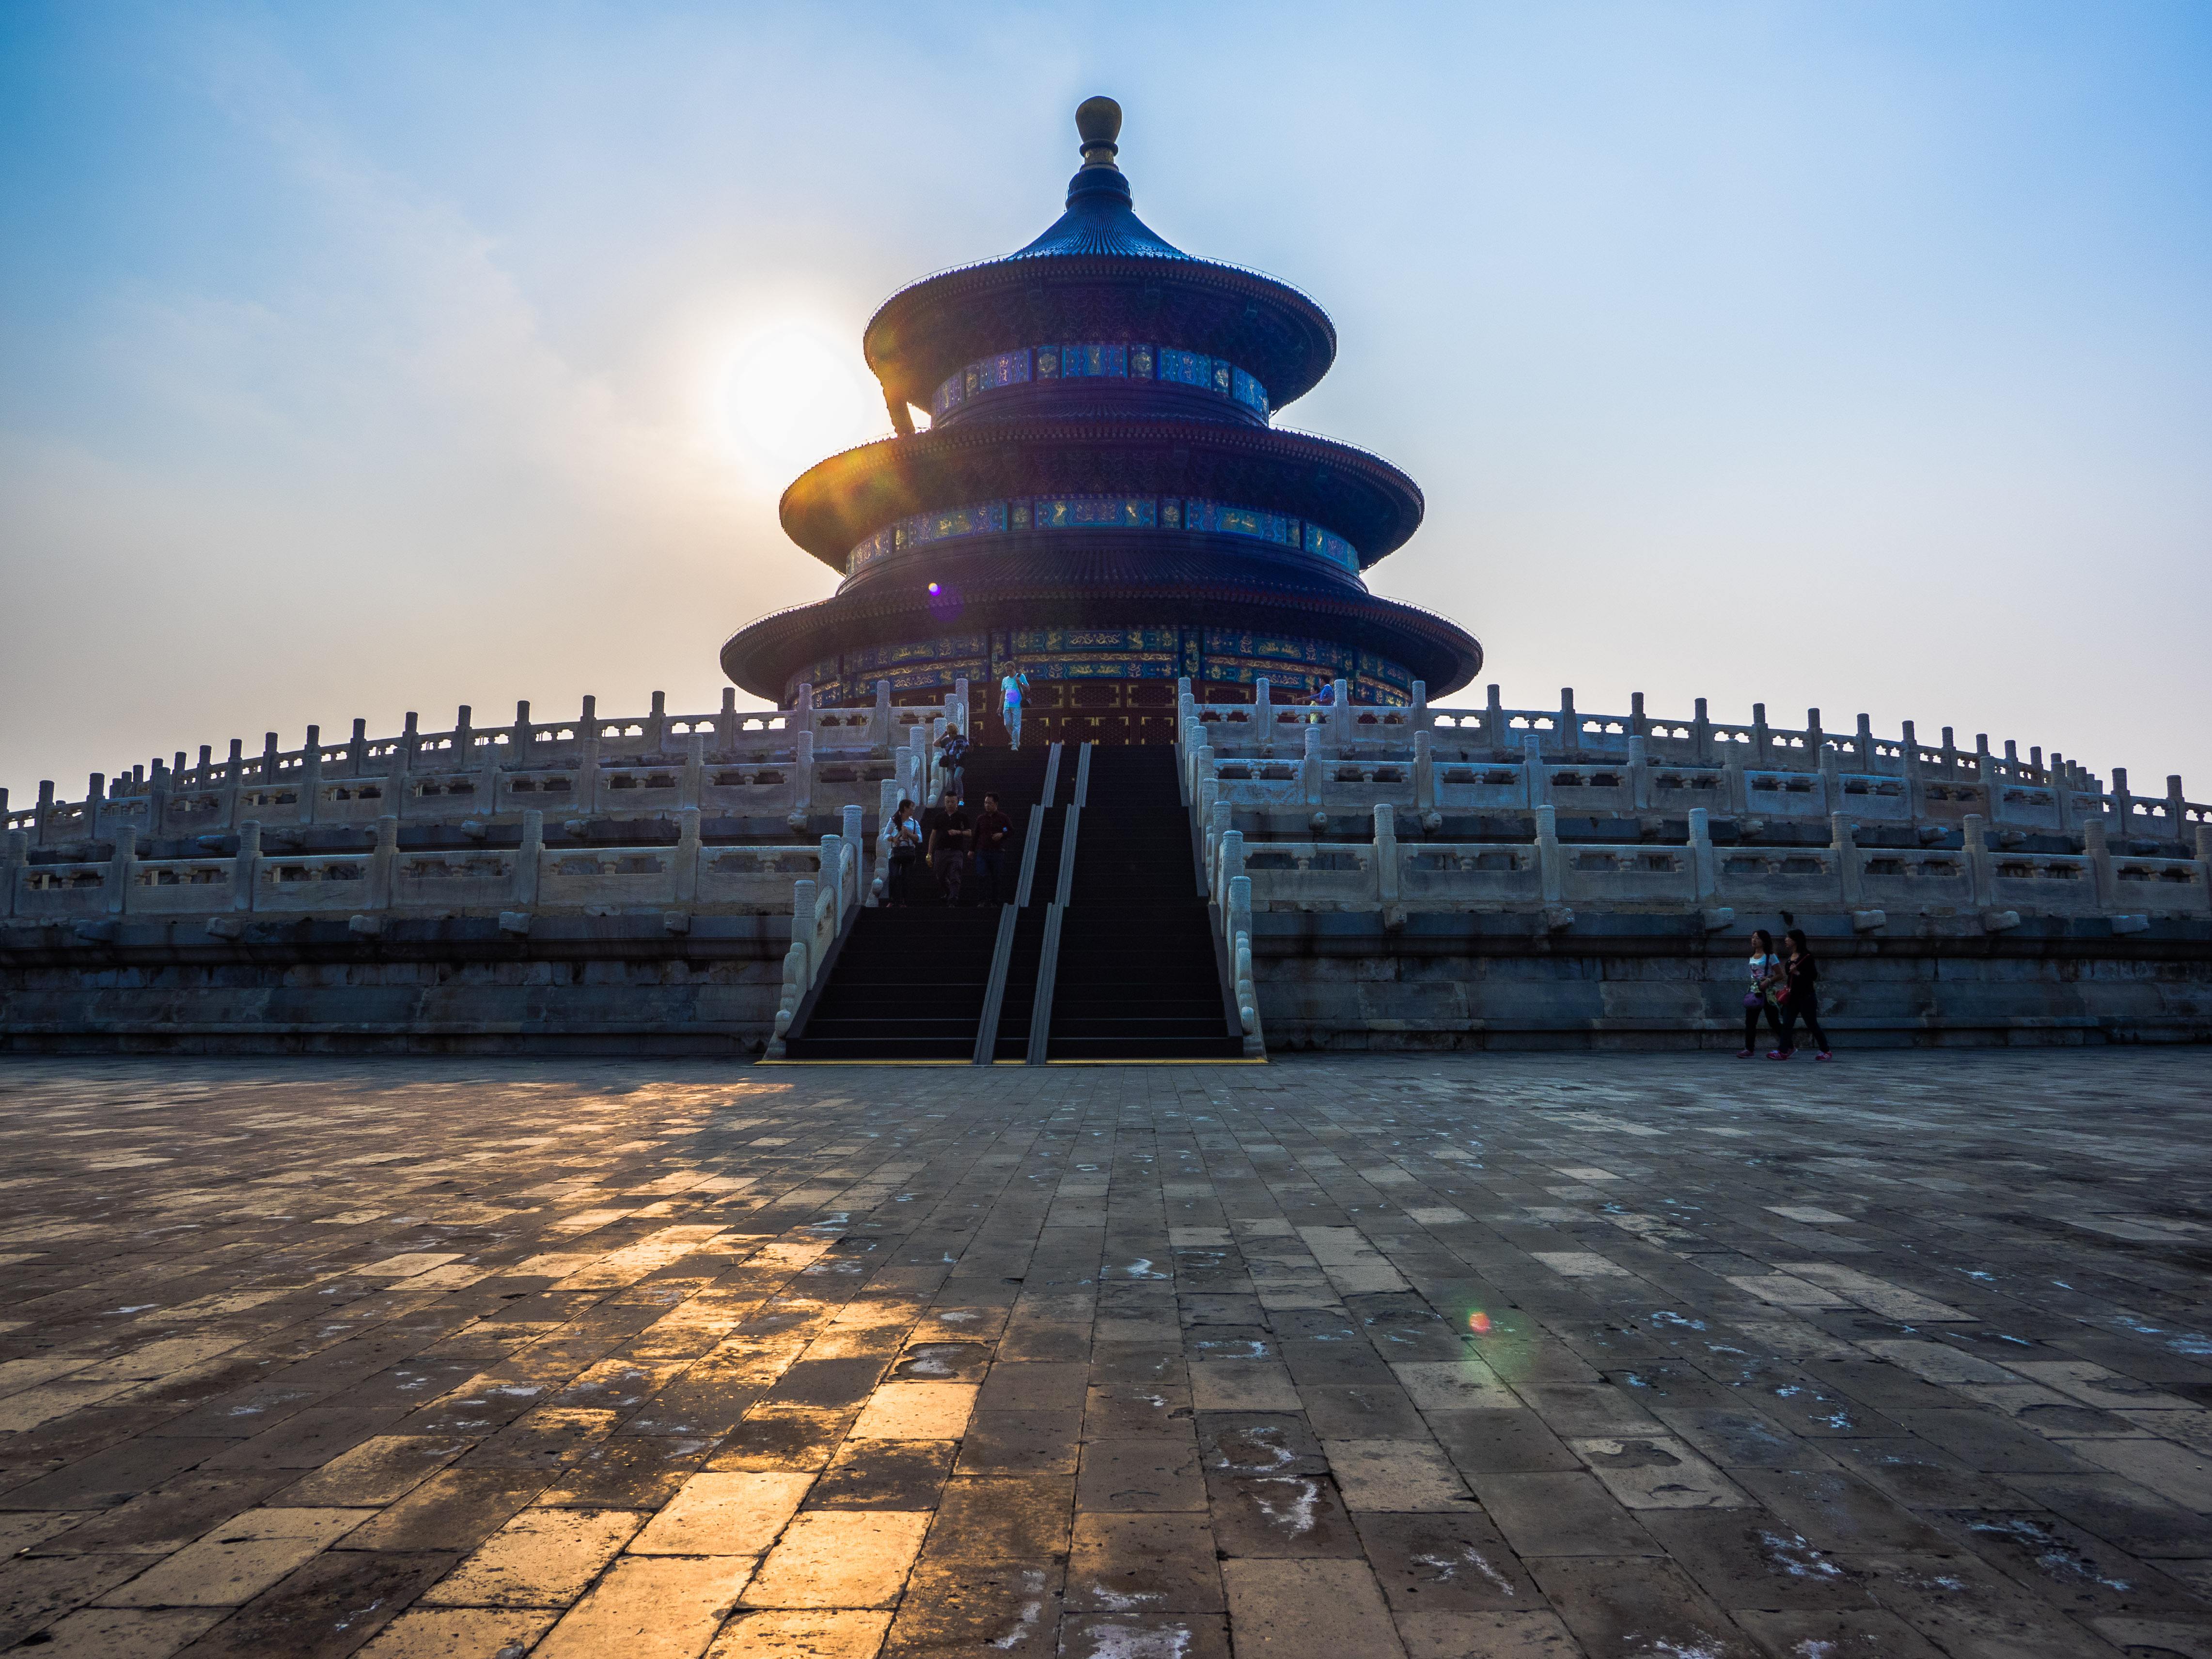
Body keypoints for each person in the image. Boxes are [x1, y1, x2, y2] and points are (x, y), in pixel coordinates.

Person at [1771, 927, 1834, 1060]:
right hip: (1792, 997)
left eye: (1788, 938)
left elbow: (1814, 976)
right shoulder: (1791, 957)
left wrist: (1798, 973)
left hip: (1806, 997)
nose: (1786, 940)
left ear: (1795, 941)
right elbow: (1789, 976)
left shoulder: (1807, 957)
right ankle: (1783, 1050)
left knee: (1812, 1024)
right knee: (1787, 1024)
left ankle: (1826, 1050)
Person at [1737, 928, 1785, 1059]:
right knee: (1750, 1021)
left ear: (1764, 941)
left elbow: (1780, 975)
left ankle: (1788, 1044)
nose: (1754, 940)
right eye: (1753, 937)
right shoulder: (1752, 956)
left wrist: (1769, 980)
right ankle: (1749, 1048)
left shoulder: (1770, 956)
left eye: (1757, 938)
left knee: (1773, 1021)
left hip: (1768, 993)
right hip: (1755, 991)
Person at [922, 789, 971, 905]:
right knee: (940, 875)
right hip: (940, 851)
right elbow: (934, 834)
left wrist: (958, 832)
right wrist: (930, 852)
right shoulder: (939, 817)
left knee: (955, 875)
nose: (950, 804)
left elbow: (969, 833)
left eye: (953, 802)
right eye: (948, 802)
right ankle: (949, 892)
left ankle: (953, 899)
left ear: (957, 802)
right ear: (945, 802)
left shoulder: (962, 816)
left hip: (956, 851)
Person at [972, 792, 1013, 903]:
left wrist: (1002, 835)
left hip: (997, 852)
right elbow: (976, 835)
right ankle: (982, 900)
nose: (987, 805)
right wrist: (972, 850)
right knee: (981, 875)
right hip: (983, 851)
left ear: (996, 804)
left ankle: (994, 901)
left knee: (996, 877)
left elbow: (1011, 831)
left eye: (989, 803)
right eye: (985, 803)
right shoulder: (981, 819)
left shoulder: (1003, 818)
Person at [884, 799, 921, 908]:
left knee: (906, 878)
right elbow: (885, 834)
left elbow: (919, 838)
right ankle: (892, 900)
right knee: (894, 876)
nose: (913, 810)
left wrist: (908, 834)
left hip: (908, 852)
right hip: (896, 852)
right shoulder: (894, 821)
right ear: (905, 808)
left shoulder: (914, 823)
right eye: (911, 807)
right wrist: (894, 839)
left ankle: (904, 901)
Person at [936, 723, 970, 797]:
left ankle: (960, 797)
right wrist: (943, 735)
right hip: (950, 764)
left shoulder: (961, 738)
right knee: (952, 783)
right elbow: (936, 744)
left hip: (961, 763)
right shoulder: (946, 740)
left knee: (956, 777)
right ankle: (953, 798)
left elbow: (967, 747)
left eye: (948, 731)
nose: (949, 733)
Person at [1001, 671, 1028, 751]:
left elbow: (1028, 689)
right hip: (1007, 705)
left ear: (1014, 669)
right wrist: (1000, 706)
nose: (1009, 672)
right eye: (1007, 671)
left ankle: (1015, 745)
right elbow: (1003, 694)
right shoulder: (1005, 680)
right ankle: (1016, 740)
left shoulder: (1020, 676)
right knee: (1008, 724)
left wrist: (1020, 683)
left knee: (1016, 725)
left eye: (1010, 670)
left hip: (1017, 705)